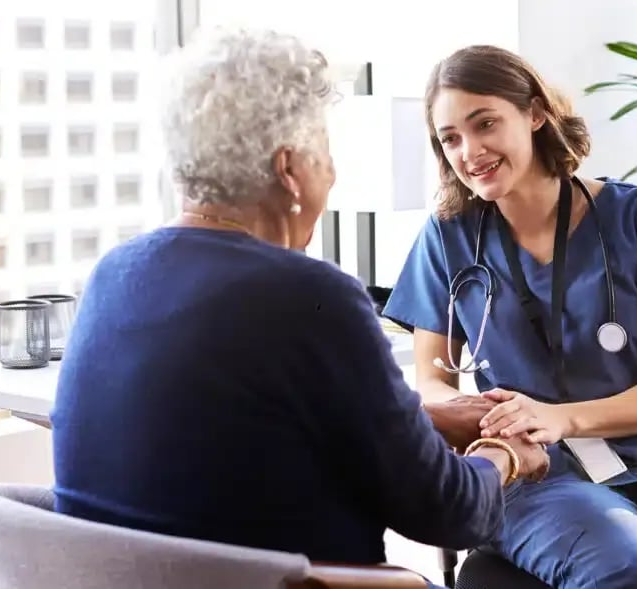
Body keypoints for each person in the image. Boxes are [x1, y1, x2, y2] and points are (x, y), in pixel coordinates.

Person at [48, 26, 549, 587]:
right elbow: (451, 514)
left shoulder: (113, 275)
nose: (331, 177)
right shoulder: (311, 295)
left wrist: (421, 416)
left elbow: (237, 422)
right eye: (326, 158)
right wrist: (502, 453)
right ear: (290, 170)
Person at [382, 45, 637, 588]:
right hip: (533, 468)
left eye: (485, 124)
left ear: (534, 113)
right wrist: (483, 414)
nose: (470, 151)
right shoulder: (448, 236)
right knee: (633, 571)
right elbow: (432, 379)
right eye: (451, 138)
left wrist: (564, 416)